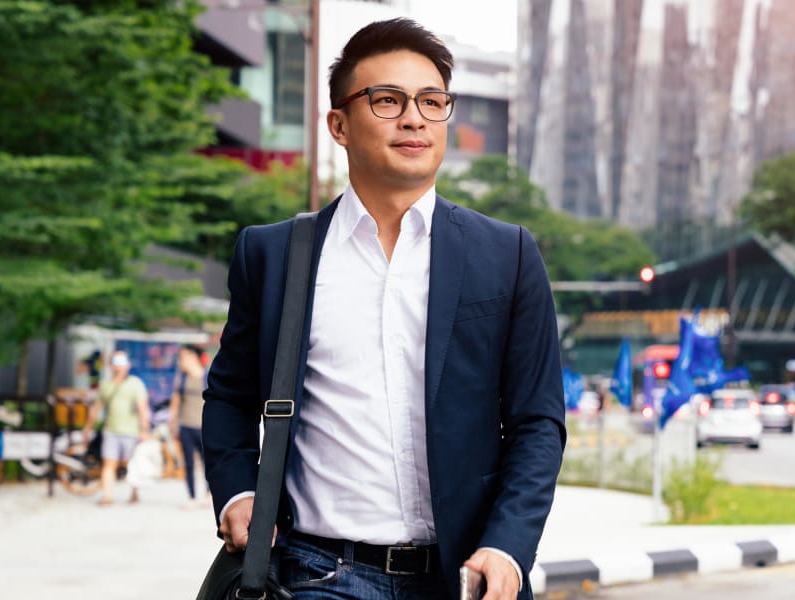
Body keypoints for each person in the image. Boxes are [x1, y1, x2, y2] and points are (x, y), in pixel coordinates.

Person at [202, 18, 566, 600]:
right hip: (319, 573)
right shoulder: (276, 254)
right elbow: (228, 397)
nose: (414, 117)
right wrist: (239, 492)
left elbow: (537, 423)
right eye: (387, 100)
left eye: (431, 100)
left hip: (464, 578)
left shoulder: (508, 254)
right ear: (339, 125)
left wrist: (509, 545)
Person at [84, 350, 151, 507]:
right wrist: (88, 427)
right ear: (110, 365)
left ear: (127, 365)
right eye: (115, 362)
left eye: (121, 362)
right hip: (110, 430)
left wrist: (144, 430)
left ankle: (134, 492)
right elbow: (96, 408)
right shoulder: (105, 385)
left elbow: (142, 408)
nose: (118, 366)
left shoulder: (135, 384)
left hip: (131, 431)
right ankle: (108, 495)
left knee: (131, 464)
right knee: (109, 463)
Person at [168, 344, 207, 509]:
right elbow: (175, 402)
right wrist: (172, 423)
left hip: (204, 426)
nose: (180, 361)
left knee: (209, 463)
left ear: (192, 356)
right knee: (188, 464)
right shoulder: (182, 378)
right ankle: (191, 497)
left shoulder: (207, 376)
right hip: (186, 426)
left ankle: (209, 494)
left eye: (182, 357)